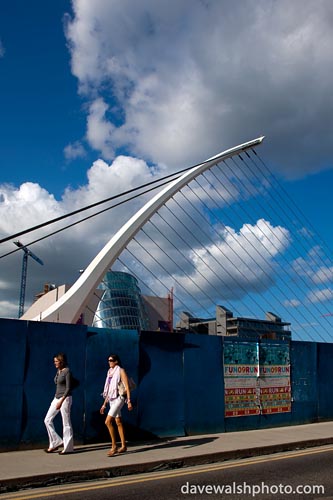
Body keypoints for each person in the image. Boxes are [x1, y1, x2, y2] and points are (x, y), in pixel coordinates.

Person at [100, 354, 133, 456]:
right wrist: (104, 404)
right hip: (111, 399)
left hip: (120, 398)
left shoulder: (121, 371)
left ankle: (114, 446)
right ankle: (123, 446)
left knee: (108, 422)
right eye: (108, 360)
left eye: (111, 360)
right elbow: (109, 390)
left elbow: (127, 387)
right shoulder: (109, 372)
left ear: (116, 361)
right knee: (118, 422)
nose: (109, 362)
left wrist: (129, 401)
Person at [44, 352, 74, 454]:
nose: (55, 363)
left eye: (56, 361)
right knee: (47, 420)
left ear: (62, 362)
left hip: (65, 399)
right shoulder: (59, 371)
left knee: (66, 423)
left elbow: (68, 388)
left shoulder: (67, 372)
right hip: (56, 398)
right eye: (54, 361)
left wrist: (61, 401)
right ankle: (55, 442)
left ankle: (68, 447)